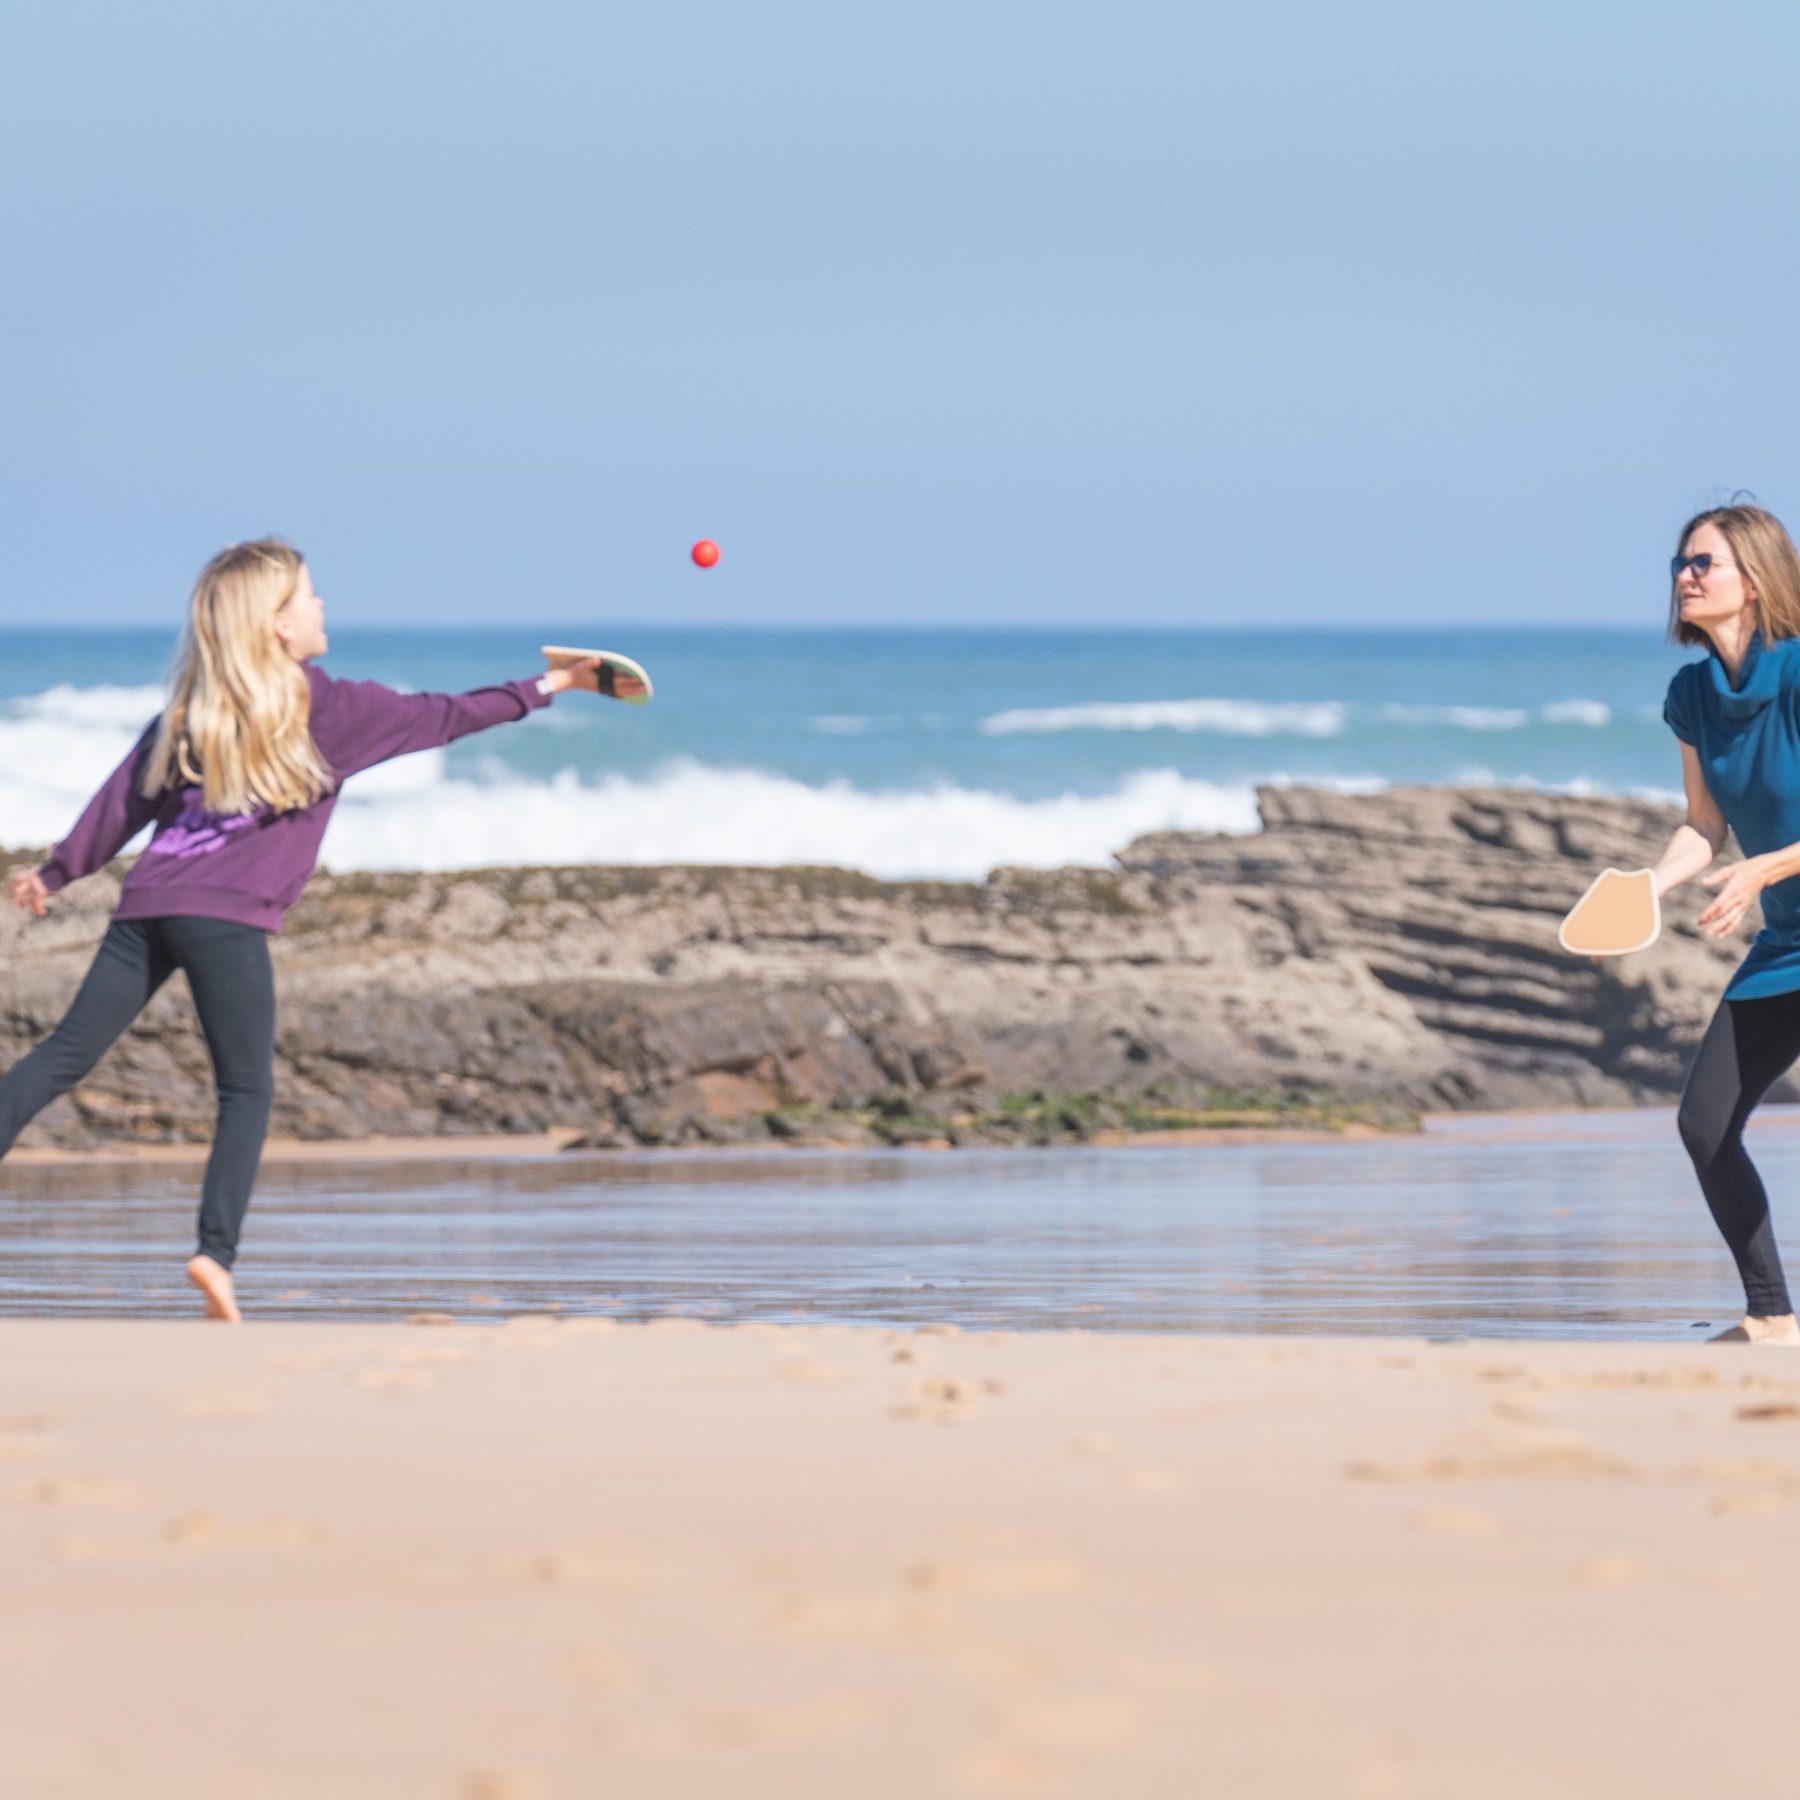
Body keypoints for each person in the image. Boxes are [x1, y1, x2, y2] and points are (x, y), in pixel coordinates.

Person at [1, 539, 603, 1321]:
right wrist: (555, 683)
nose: (323, 606)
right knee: (245, 1089)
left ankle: (210, 1252)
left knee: (61, 1058)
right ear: (279, 625)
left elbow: (124, 800)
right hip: (224, 919)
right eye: (309, 596)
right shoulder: (334, 709)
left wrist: (56, 872)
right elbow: (447, 716)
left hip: (146, 907)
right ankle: (214, 1255)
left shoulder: (194, 710)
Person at [1655, 504, 1800, 1344]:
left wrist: (1765, 868)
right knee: (1705, 1124)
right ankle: (1772, 1317)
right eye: (1680, 563)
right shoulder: (1691, 696)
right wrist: (1646, 887)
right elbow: (1704, 823)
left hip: (1779, 902)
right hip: (1789, 943)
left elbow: (1751, 856)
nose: (1685, 576)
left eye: (1703, 563)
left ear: (1755, 579)